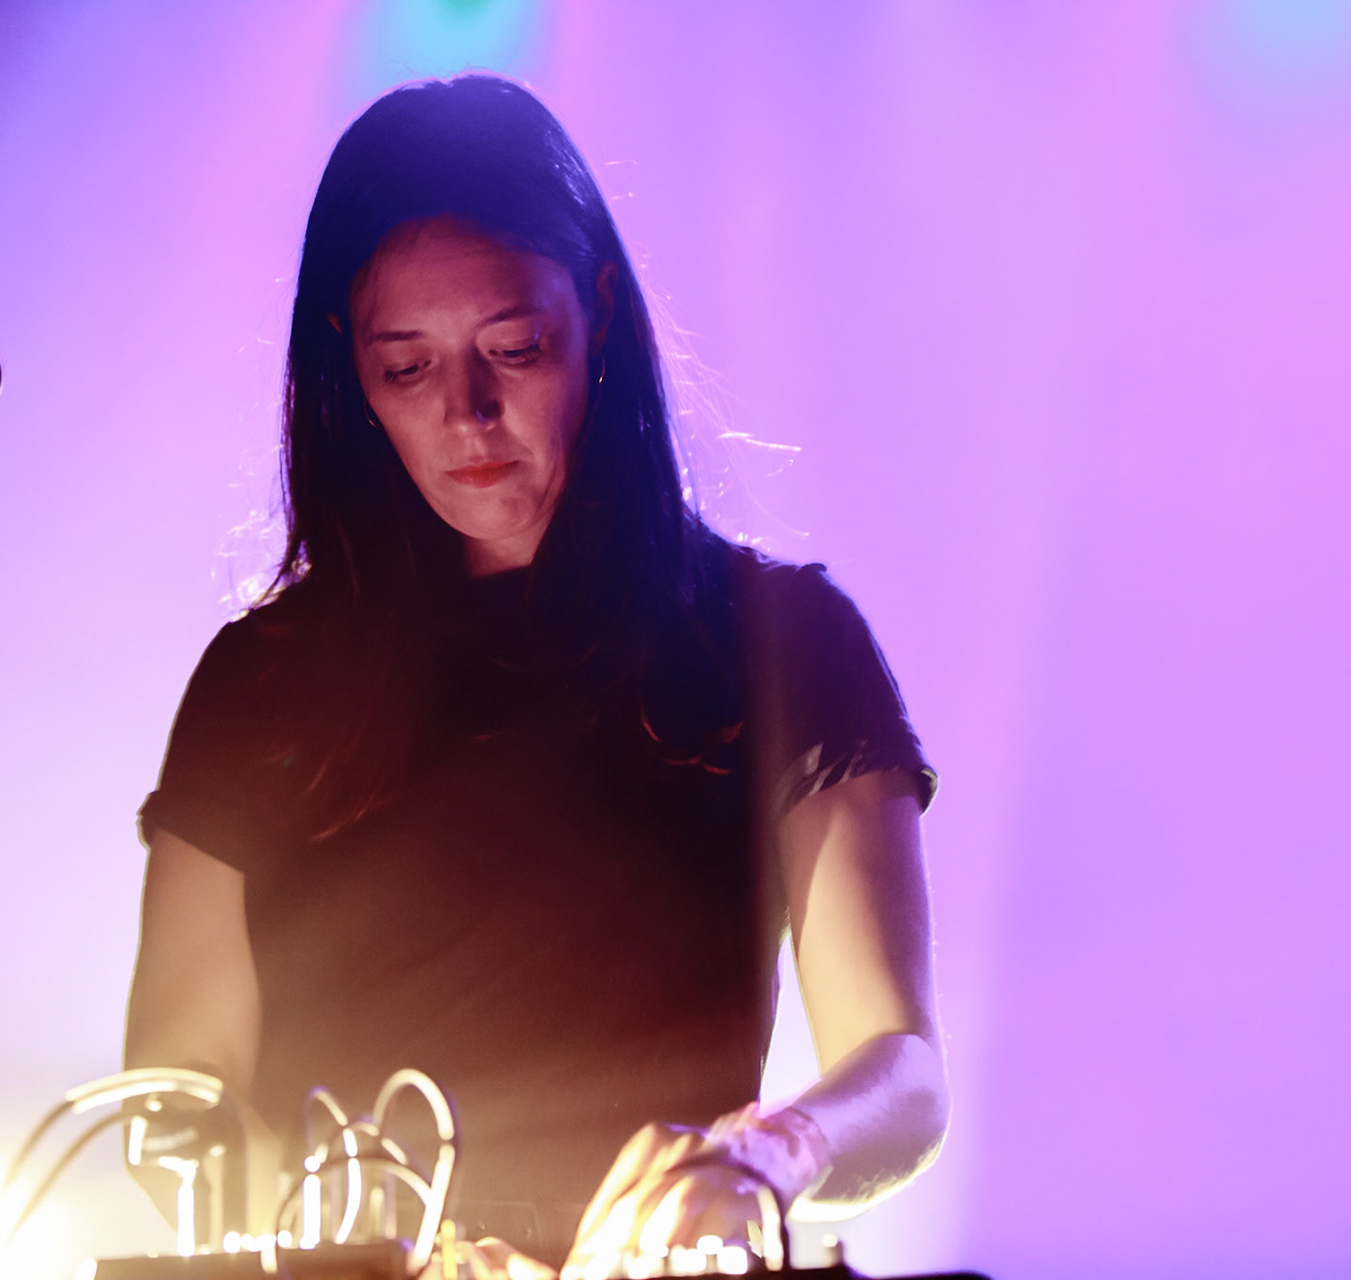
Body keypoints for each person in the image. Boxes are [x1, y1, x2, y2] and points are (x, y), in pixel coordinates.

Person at [124, 75, 948, 1274]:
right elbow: (174, 1098)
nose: (468, 413)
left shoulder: (785, 639)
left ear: (598, 313)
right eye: (406, 368)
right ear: (346, 368)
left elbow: (902, 1071)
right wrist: (371, 1241)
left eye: (513, 348)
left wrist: (766, 1154)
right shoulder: (259, 681)